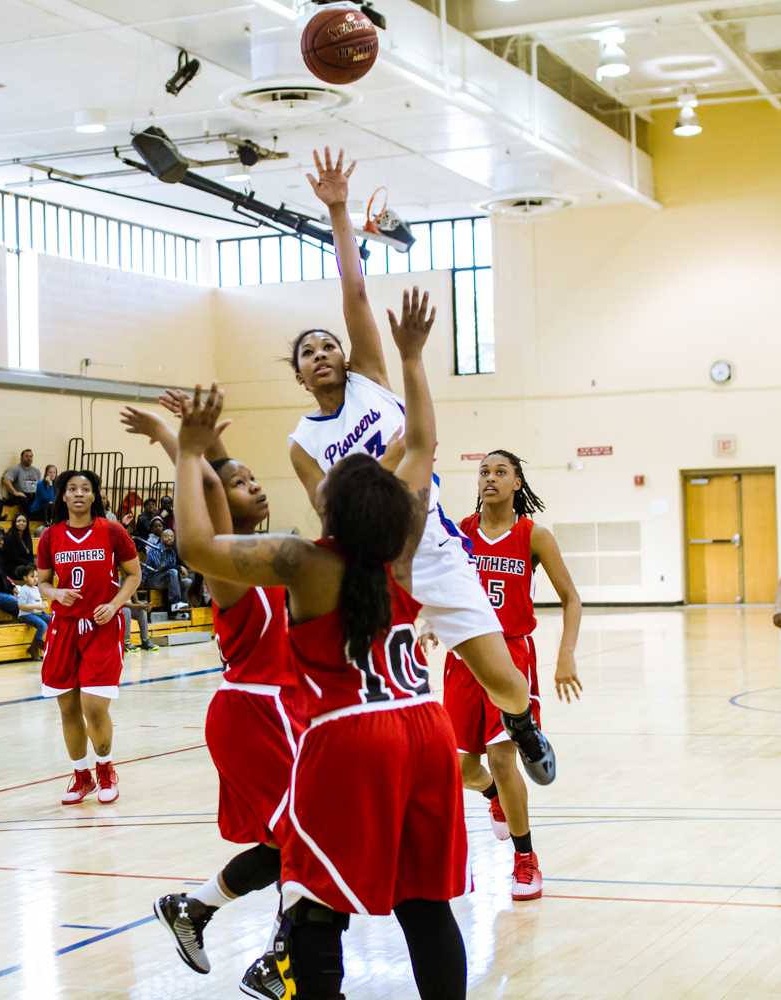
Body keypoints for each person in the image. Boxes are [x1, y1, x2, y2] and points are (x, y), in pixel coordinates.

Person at [171, 291, 470, 1000]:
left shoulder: (303, 561)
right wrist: (413, 360)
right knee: (425, 904)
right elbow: (422, 442)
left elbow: (195, 545)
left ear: (330, 504)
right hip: (426, 729)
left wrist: (188, 453)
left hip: (350, 739)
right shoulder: (401, 549)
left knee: (312, 900)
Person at [290, 148, 556, 782]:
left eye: (329, 344)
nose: (323, 352)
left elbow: (354, 289)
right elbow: (331, 508)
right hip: (376, 568)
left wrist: (338, 210)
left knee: (506, 683)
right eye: (308, 351)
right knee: (396, 710)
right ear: (298, 375)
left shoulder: (372, 379)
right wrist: (391, 456)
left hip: (434, 546)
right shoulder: (301, 441)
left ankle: (521, 724)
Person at [120, 401, 298, 993]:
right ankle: (280, 961)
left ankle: (193, 909)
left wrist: (195, 445)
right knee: (304, 839)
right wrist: (178, 443)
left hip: (284, 711)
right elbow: (207, 493)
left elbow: (214, 484)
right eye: (240, 483)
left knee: (288, 844)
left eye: (255, 479)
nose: (253, 487)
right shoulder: (228, 567)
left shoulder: (272, 554)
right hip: (253, 712)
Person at [434, 450, 582, 903]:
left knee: (503, 757)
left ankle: (525, 858)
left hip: (512, 656)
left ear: (518, 482)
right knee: (462, 767)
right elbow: (436, 584)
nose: (490, 478)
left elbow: (571, 599)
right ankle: (495, 795)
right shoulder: (458, 532)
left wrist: (565, 656)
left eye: (501, 472)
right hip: (463, 659)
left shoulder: (533, 535)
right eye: (484, 472)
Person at [37, 469, 141, 806]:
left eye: (85, 488)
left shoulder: (111, 530)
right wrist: (56, 591)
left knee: (93, 706)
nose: (79, 493)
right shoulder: (51, 536)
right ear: (63, 496)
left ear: (94, 495)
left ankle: (105, 768)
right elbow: (42, 582)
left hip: (100, 626)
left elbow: (134, 574)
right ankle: (82, 777)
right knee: (68, 706)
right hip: (63, 628)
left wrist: (114, 605)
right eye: (72, 489)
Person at [141, 526, 190, 615]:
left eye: (172, 536)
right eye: (167, 536)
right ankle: (175, 603)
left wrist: (179, 571)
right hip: (151, 579)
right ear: (162, 538)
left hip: (164, 579)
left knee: (187, 581)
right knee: (173, 571)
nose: (170, 538)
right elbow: (160, 567)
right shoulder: (156, 549)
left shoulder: (172, 552)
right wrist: (178, 567)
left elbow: (171, 569)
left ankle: (180, 611)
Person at [15, 563, 51, 659]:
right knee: (42, 625)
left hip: (37, 613)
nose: (35, 579)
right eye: (32, 577)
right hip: (26, 615)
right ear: (25, 578)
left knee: (52, 620)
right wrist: (37, 606)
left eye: (37, 576)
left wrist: (43, 604)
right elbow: (21, 606)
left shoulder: (36, 588)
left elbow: (38, 601)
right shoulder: (24, 590)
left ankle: (45, 644)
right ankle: (36, 646)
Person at [2, 449, 40, 514]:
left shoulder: (36, 471)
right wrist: (15, 492)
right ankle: (29, 517)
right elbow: (6, 480)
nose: (29, 458)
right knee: (23, 499)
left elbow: (39, 485)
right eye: (27, 456)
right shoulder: (15, 468)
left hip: (32, 495)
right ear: (21, 458)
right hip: (18, 496)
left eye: (31, 456)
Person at [2, 513, 34, 578]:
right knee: (28, 571)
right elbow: (14, 557)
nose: (21, 523)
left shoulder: (27, 536)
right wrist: (28, 564)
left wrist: (31, 563)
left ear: (27, 523)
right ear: (14, 523)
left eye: (24, 521)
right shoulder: (9, 536)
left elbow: (31, 554)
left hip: (26, 565)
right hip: (13, 567)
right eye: (18, 521)